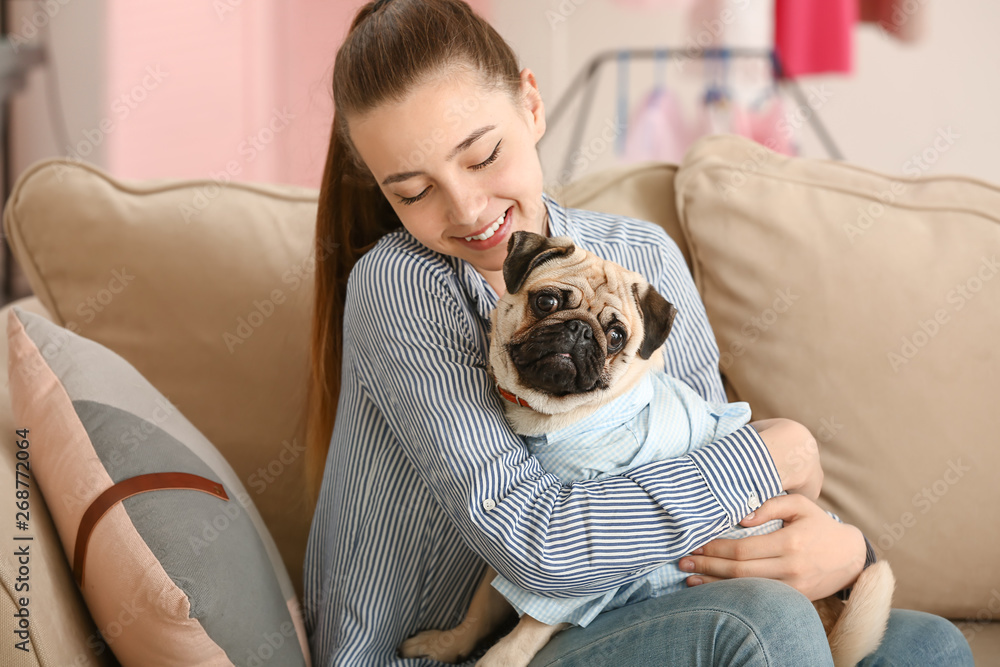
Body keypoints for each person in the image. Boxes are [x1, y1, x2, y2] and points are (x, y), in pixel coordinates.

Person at [302, 1, 974, 665]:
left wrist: (845, 552)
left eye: (482, 156)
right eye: (414, 192)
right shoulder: (401, 283)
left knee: (927, 644)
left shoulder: (642, 257)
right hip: (450, 652)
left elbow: (701, 461)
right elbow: (533, 541)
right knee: (758, 622)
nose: (469, 209)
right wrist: (770, 454)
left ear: (531, 106)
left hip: (633, 605)